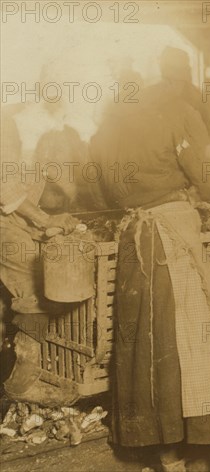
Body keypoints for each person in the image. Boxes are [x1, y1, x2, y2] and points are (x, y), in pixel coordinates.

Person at [90, 47, 210, 472]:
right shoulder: (174, 111)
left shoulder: (107, 126)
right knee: (195, 338)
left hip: (133, 239)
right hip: (173, 231)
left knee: (145, 343)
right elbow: (205, 176)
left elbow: (106, 189)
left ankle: (168, 457)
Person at [0, 84, 85, 405]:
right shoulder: (6, 125)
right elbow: (6, 189)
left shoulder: (19, 127)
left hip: (10, 222)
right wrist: (43, 221)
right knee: (34, 292)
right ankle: (22, 384)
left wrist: (44, 216)